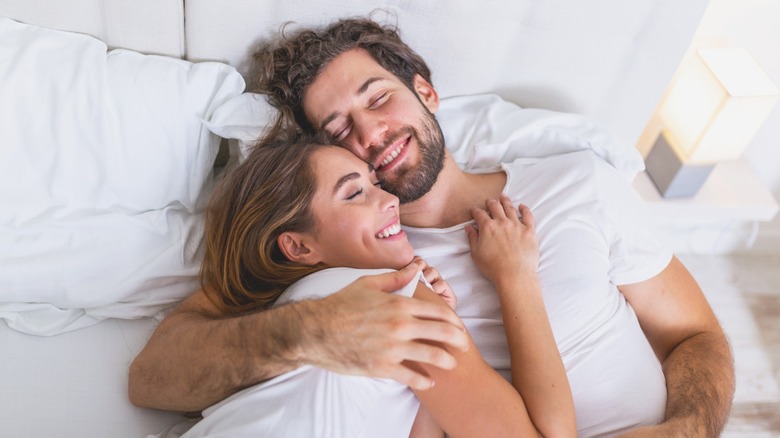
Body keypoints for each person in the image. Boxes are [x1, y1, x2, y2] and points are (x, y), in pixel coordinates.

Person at [130, 17, 735, 437]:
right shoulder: (355, 255)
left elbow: (697, 337)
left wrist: (687, 428)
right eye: (338, 131)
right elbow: (157, 374)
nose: (369, 135)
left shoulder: (578, 183)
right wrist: (304, 331)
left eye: (377, 98)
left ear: (426, 91)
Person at [175, 134, 573, 437]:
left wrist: (445, 320)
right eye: (354, 193)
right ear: (298, 245)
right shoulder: (381, 295)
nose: (389, 200)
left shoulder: (289, 309)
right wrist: (518, 276)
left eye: (374, 183)